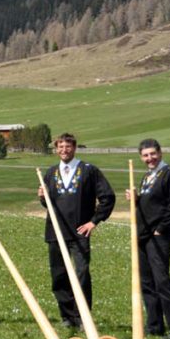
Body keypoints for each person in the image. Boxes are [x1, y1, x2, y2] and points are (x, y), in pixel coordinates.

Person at [38, 132, 115, 329]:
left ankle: (82, 317)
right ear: (56, 149)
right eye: (60, 147)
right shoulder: (50, 172)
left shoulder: (89, 171)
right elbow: (49, 204)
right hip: (55, 233)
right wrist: (42, 197)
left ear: (74, 147)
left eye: (68, 146)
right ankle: (67, 316)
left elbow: (107, 197)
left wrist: (94, 221)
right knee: (59, 276)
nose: (64, 150)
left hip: (79, 233)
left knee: (81, 274)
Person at [126, 139, 170, 339]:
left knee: (162, 281)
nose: (149, 158)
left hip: (157, 237)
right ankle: (155, 325)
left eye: (153, 154)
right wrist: (136, 199)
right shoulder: (147, 177)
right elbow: (150, 205)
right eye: (145, 155)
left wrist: (161, 229)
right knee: (147, 282)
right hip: (143, 236)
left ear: (160, 153)